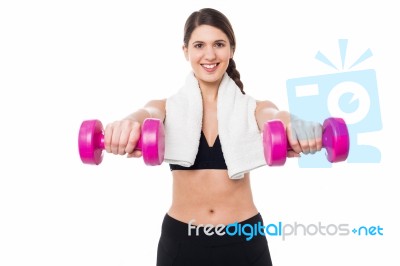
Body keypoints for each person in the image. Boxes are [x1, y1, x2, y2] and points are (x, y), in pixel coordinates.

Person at [104, 8, 322, 266]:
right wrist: (127, 124)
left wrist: (296, 125)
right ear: (186, 51)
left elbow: (275, 116)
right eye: (199, 45)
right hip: (181, 240)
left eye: (219, 44)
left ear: (231, 49)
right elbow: (146, 114)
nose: (209, 55)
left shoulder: (252, 108)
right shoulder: (166, 108)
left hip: (244, 240)